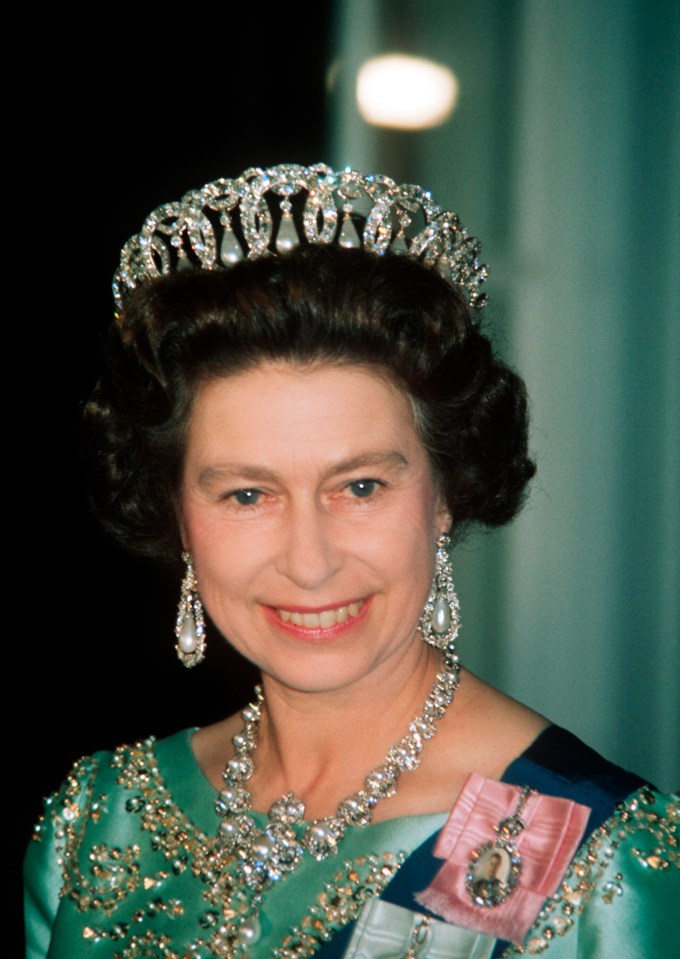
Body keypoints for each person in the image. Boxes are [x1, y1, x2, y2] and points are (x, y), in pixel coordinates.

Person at [24, 163, 677, 958]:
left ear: (445, 491)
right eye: (246, 495)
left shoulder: (590, 848)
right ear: (177, 516)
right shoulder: (94, 818)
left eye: (360, 485)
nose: (309, 561)